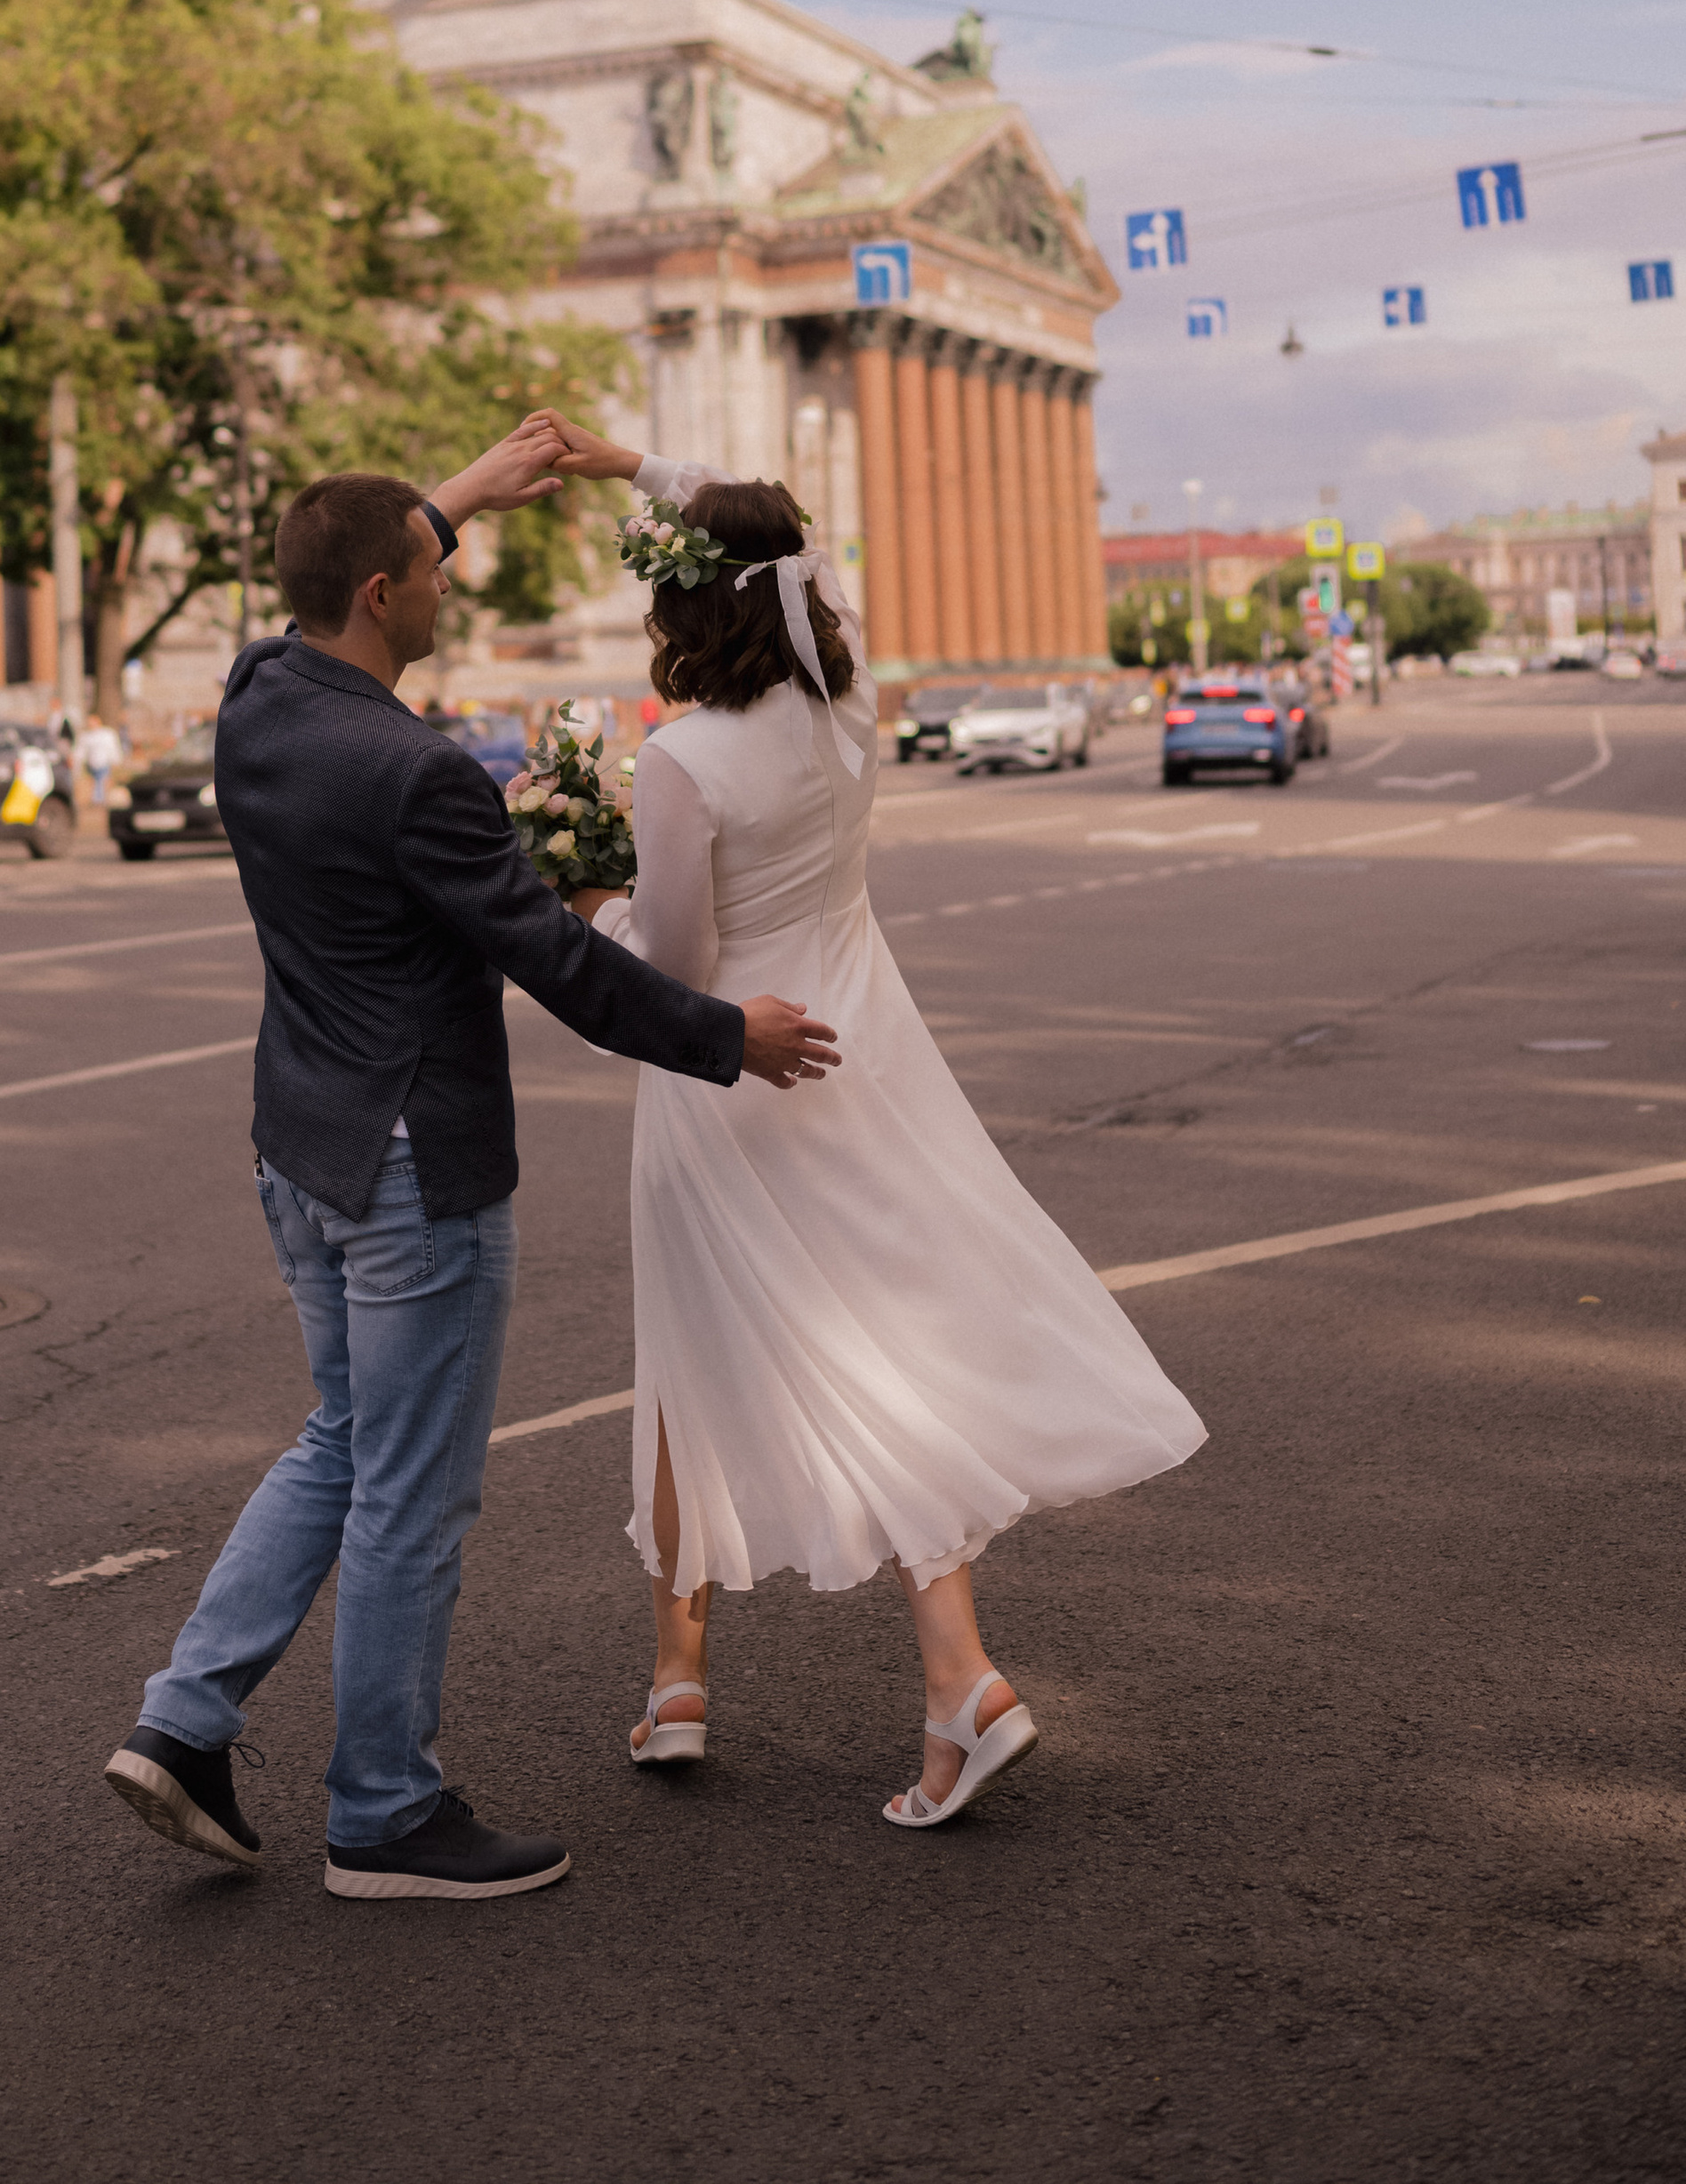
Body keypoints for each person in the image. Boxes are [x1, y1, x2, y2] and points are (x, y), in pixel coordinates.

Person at [104, 424, 839, 1901]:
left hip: (298, 1148)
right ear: (384, 594)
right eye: (432, 568)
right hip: (408, 1173)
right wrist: (725, 1039)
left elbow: (341, 579)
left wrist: (459, 491)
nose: (448, 586)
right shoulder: (417, 770)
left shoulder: (260, 702)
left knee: (342, 1441)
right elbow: (563, 963)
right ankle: (382, 1807)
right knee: (411, 1497)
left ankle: (184, 1721)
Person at [536, 422, 1206, 1831]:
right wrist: (638, 469)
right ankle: (949, 1677)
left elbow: (673, 958)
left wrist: (575, 896)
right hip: (862, 1060)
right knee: (879, 1350)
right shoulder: (849, 712)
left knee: (685, 1364)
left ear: (683, 604)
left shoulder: (684, 761)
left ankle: (687, 1682)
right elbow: (806, 546)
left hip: (732, 1088)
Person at [76, 711, 123, 806]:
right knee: (96, 782)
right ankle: (98, 800)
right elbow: (81, 750)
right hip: (92, 764)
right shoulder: (87, 736)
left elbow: (113, 748)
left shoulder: (107, 734)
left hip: (104, 763)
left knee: (101, 782)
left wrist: (115, 760)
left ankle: (98, 801)